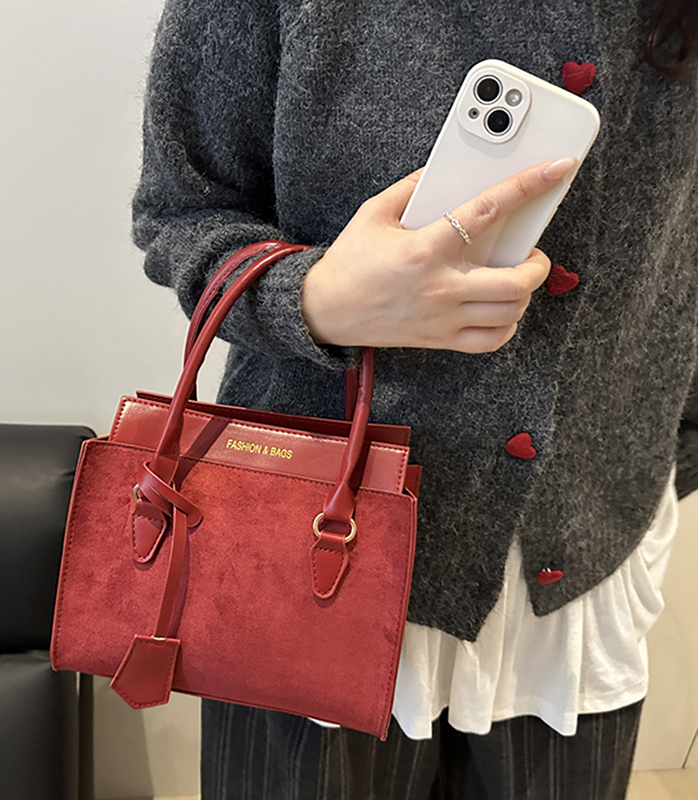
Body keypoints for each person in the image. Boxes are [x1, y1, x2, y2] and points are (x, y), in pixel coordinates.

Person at [131, 1, 698, 797]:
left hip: (581, 563)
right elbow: (182, 213)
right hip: (309, 543)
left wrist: (664, 448)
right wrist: (317, 299)